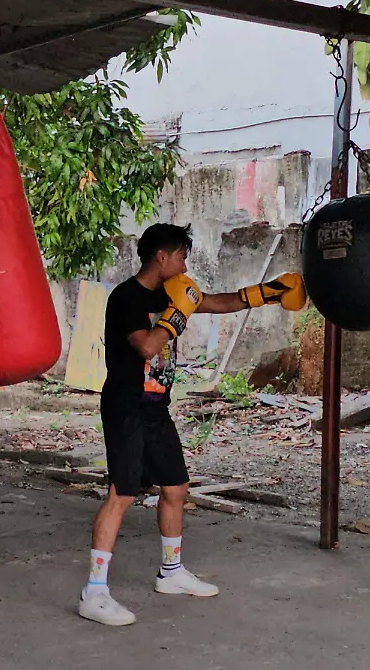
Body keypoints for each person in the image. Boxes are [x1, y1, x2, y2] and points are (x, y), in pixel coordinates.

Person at [79, 223, 306, 626]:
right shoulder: (127, 297)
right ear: (161, 257)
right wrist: (177, 313)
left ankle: (171, 573)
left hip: (155, 407)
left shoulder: (171, 293)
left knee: (176, 488)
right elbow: (148, 346)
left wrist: (268, 292)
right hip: (126, 407)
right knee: (122, 493)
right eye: (182, 257)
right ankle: (94, 592)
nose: (185, 265)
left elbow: (217, 302)